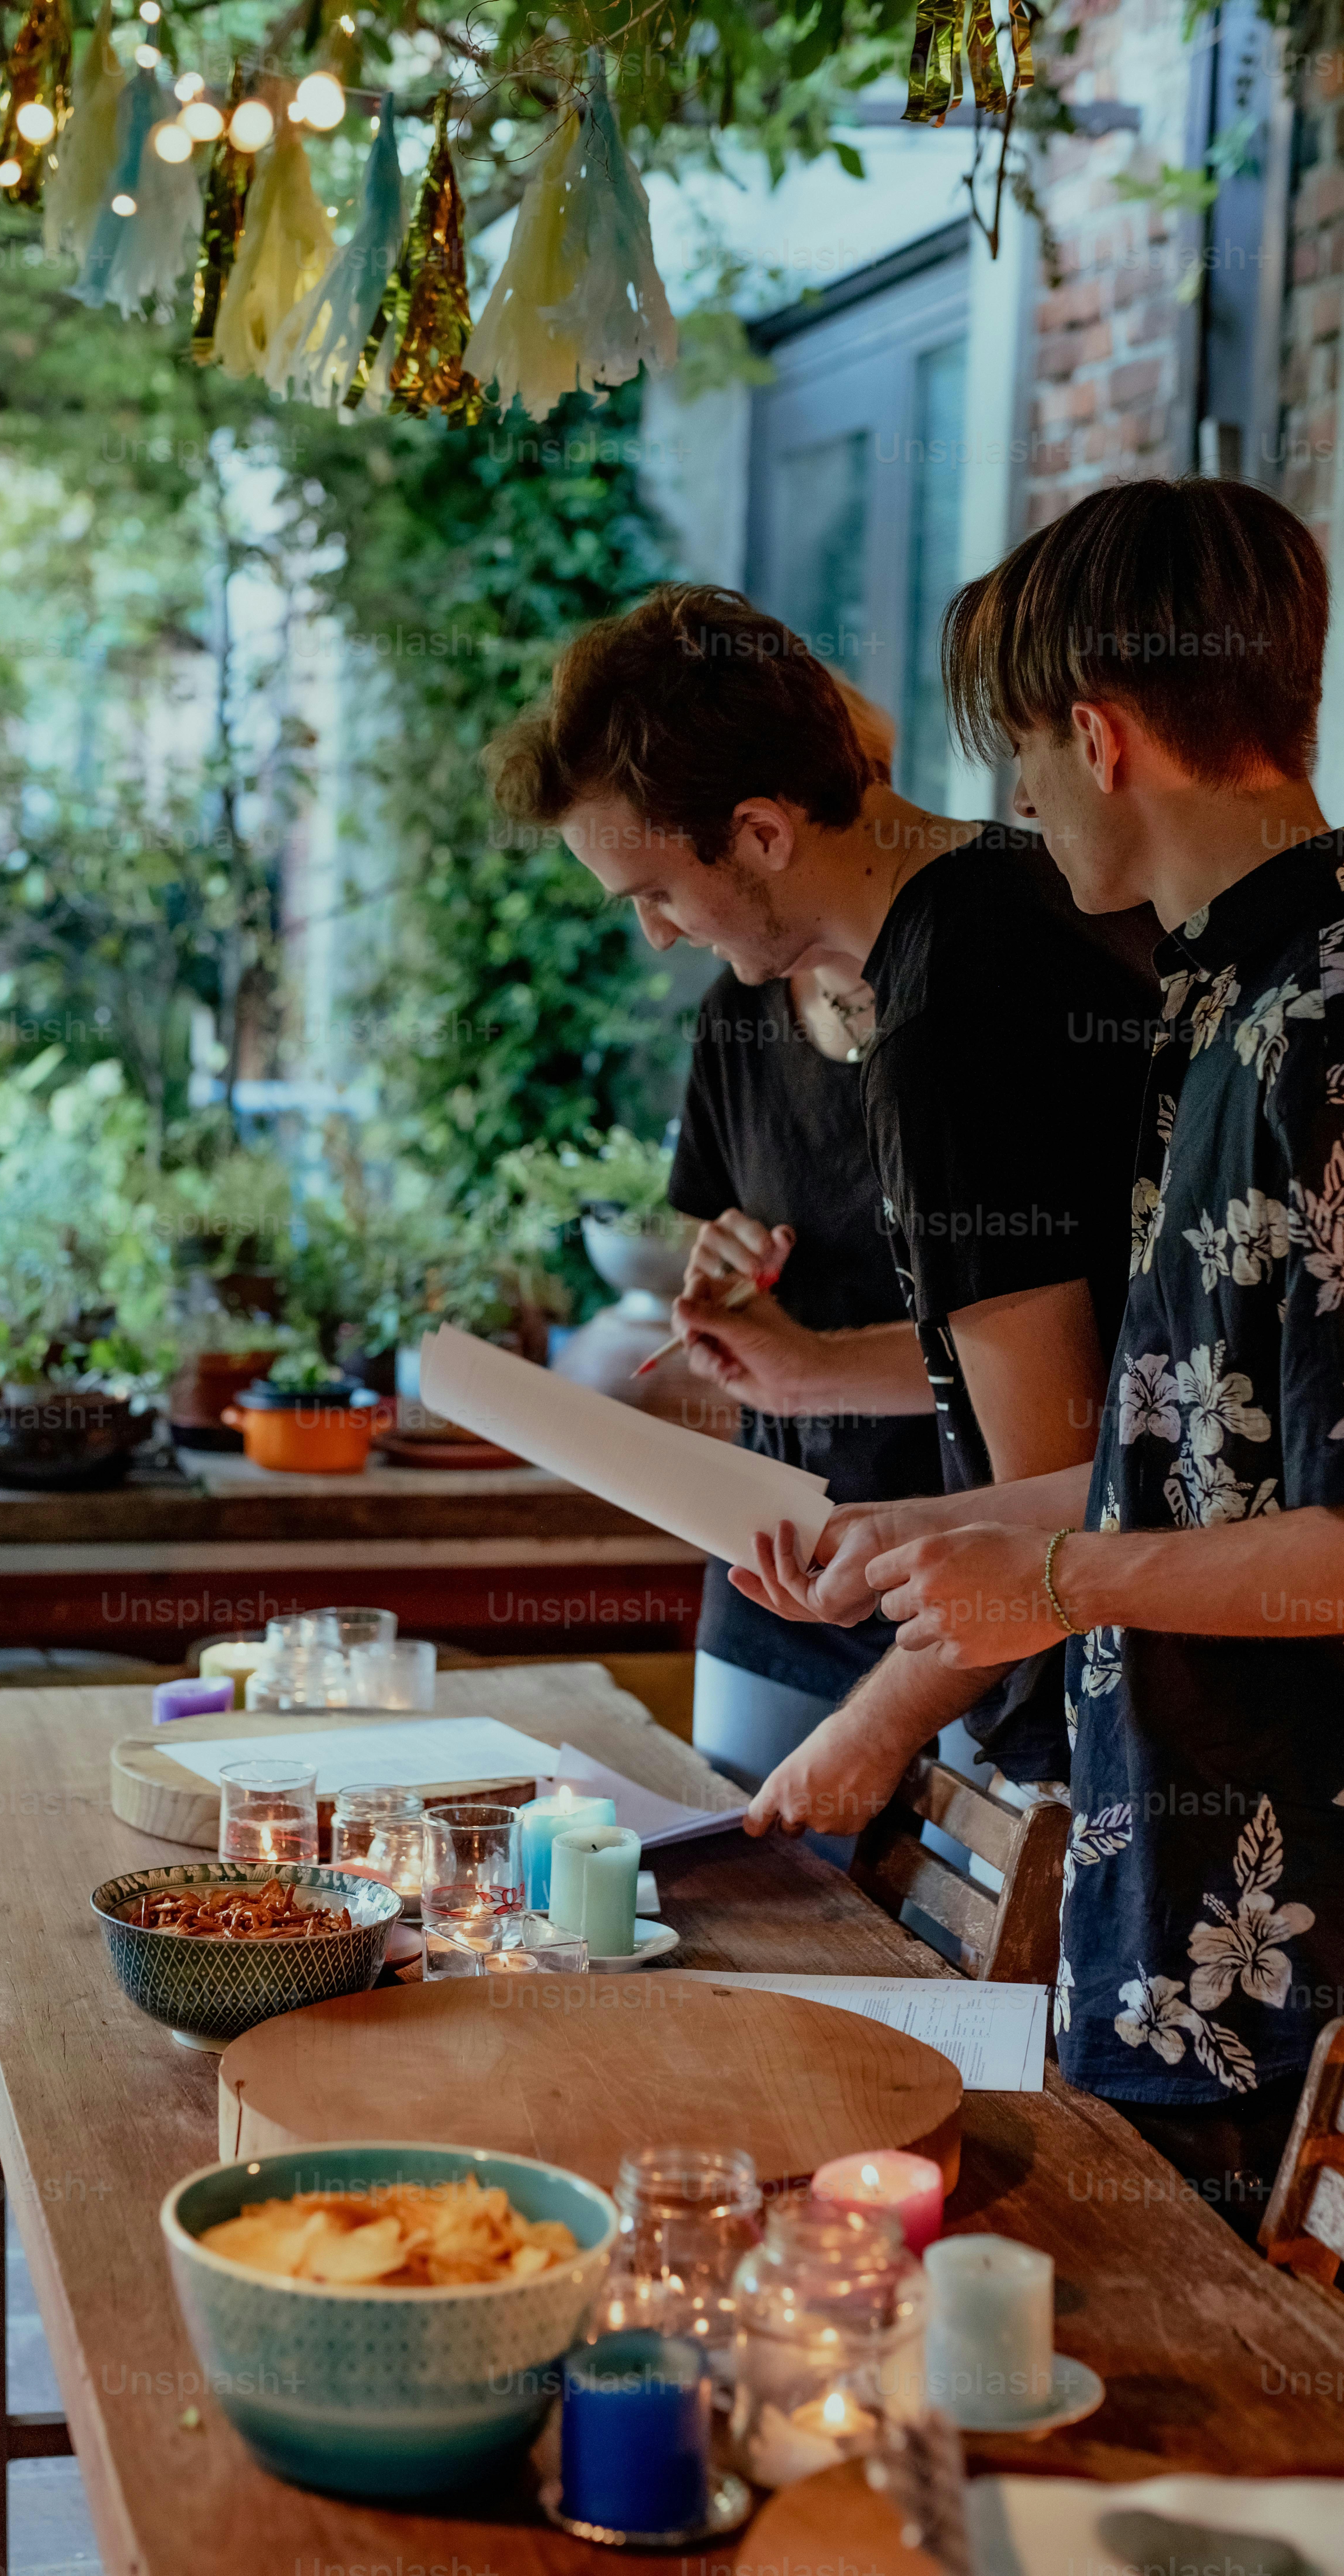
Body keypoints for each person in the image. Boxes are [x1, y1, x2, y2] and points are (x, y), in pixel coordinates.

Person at [746, 477, 1343, 2230]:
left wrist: (1059, 1575)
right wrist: (932, 1550)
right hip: (1164, 1913)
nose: (1009, 798)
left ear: (1098, 734)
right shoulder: (1220, 998)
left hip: (1285, 1959)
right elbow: (1204, 1454)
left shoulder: (1321, 1024)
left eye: (1018, 750)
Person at [483, 586, 1158, 1798]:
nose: (651, 933)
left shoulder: (953, 1004)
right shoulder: (993, 918)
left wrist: (872, 1724)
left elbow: (1052, 1493)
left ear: (759, 832)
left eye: (653, 893)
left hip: (1060, 1688)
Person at [665, 678, 943, 1818]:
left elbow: (1088, 1355)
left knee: (939, 1939)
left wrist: (808, 1362)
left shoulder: (959, 1001)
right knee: (734, 1872)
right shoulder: (736, 1013)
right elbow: (706, 1276)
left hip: (949, 1566)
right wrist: (719, 1277)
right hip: (772, 1549)